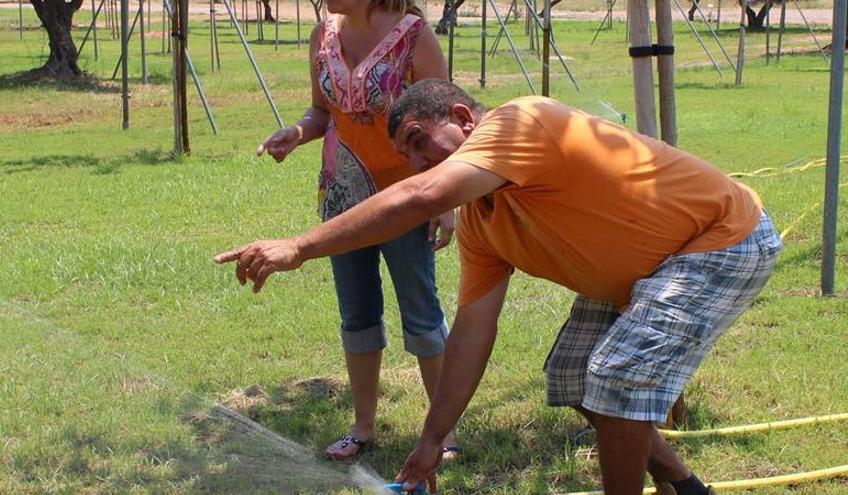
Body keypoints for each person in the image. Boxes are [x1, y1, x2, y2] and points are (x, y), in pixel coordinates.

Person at [218, 79, 782, 494]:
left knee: (614, 376)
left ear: (463, 117)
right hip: (649, 268)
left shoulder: (520, 121)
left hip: (720, 237)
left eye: (420, 142)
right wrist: (432, 439)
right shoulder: (484, 223)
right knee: (572, 377)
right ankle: (684, 486)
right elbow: (471, 332)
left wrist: (299, 246)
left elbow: (421, 198)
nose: (418, 165)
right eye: (409, 156)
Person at [254, 0, 459, 460]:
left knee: (421, 310)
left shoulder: (413, 36)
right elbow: (320, 111)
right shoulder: (322, 34)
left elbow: (442, 123)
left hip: (406, 199)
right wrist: (298, 132)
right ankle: (362, 426)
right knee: (357, 313)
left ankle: (442, 431)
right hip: (342, 200)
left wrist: (443, 198)